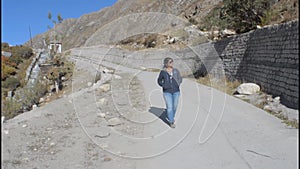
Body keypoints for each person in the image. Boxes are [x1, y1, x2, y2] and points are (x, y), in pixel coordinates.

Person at [157, 57, 182, 128]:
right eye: (170, 62)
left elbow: (180, 78)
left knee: (175, 106)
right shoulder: (163, 72)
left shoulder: (176, 71)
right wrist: (164, 85)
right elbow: (159, 80)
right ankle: (171, 121)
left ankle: (171, 116)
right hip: (167, 92)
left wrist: (178, 84)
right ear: (166, 63)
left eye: (172, 61)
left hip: (176, 91)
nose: (172, 63)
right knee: (170, 107)